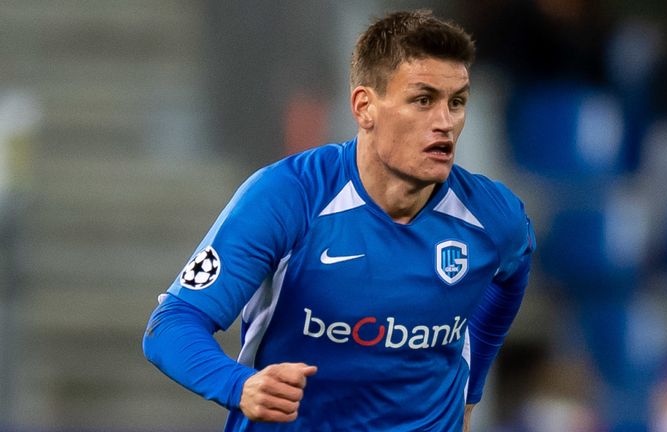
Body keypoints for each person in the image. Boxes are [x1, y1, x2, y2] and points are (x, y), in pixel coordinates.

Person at [143, 9, 535, 432]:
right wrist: (239, 385)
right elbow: (171, 325)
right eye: (423, 100)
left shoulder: (493, 217)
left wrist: (471, 392)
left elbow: (512, 273)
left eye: (456, 102)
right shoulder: (288, 196)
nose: (445, 122)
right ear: (364, 107)